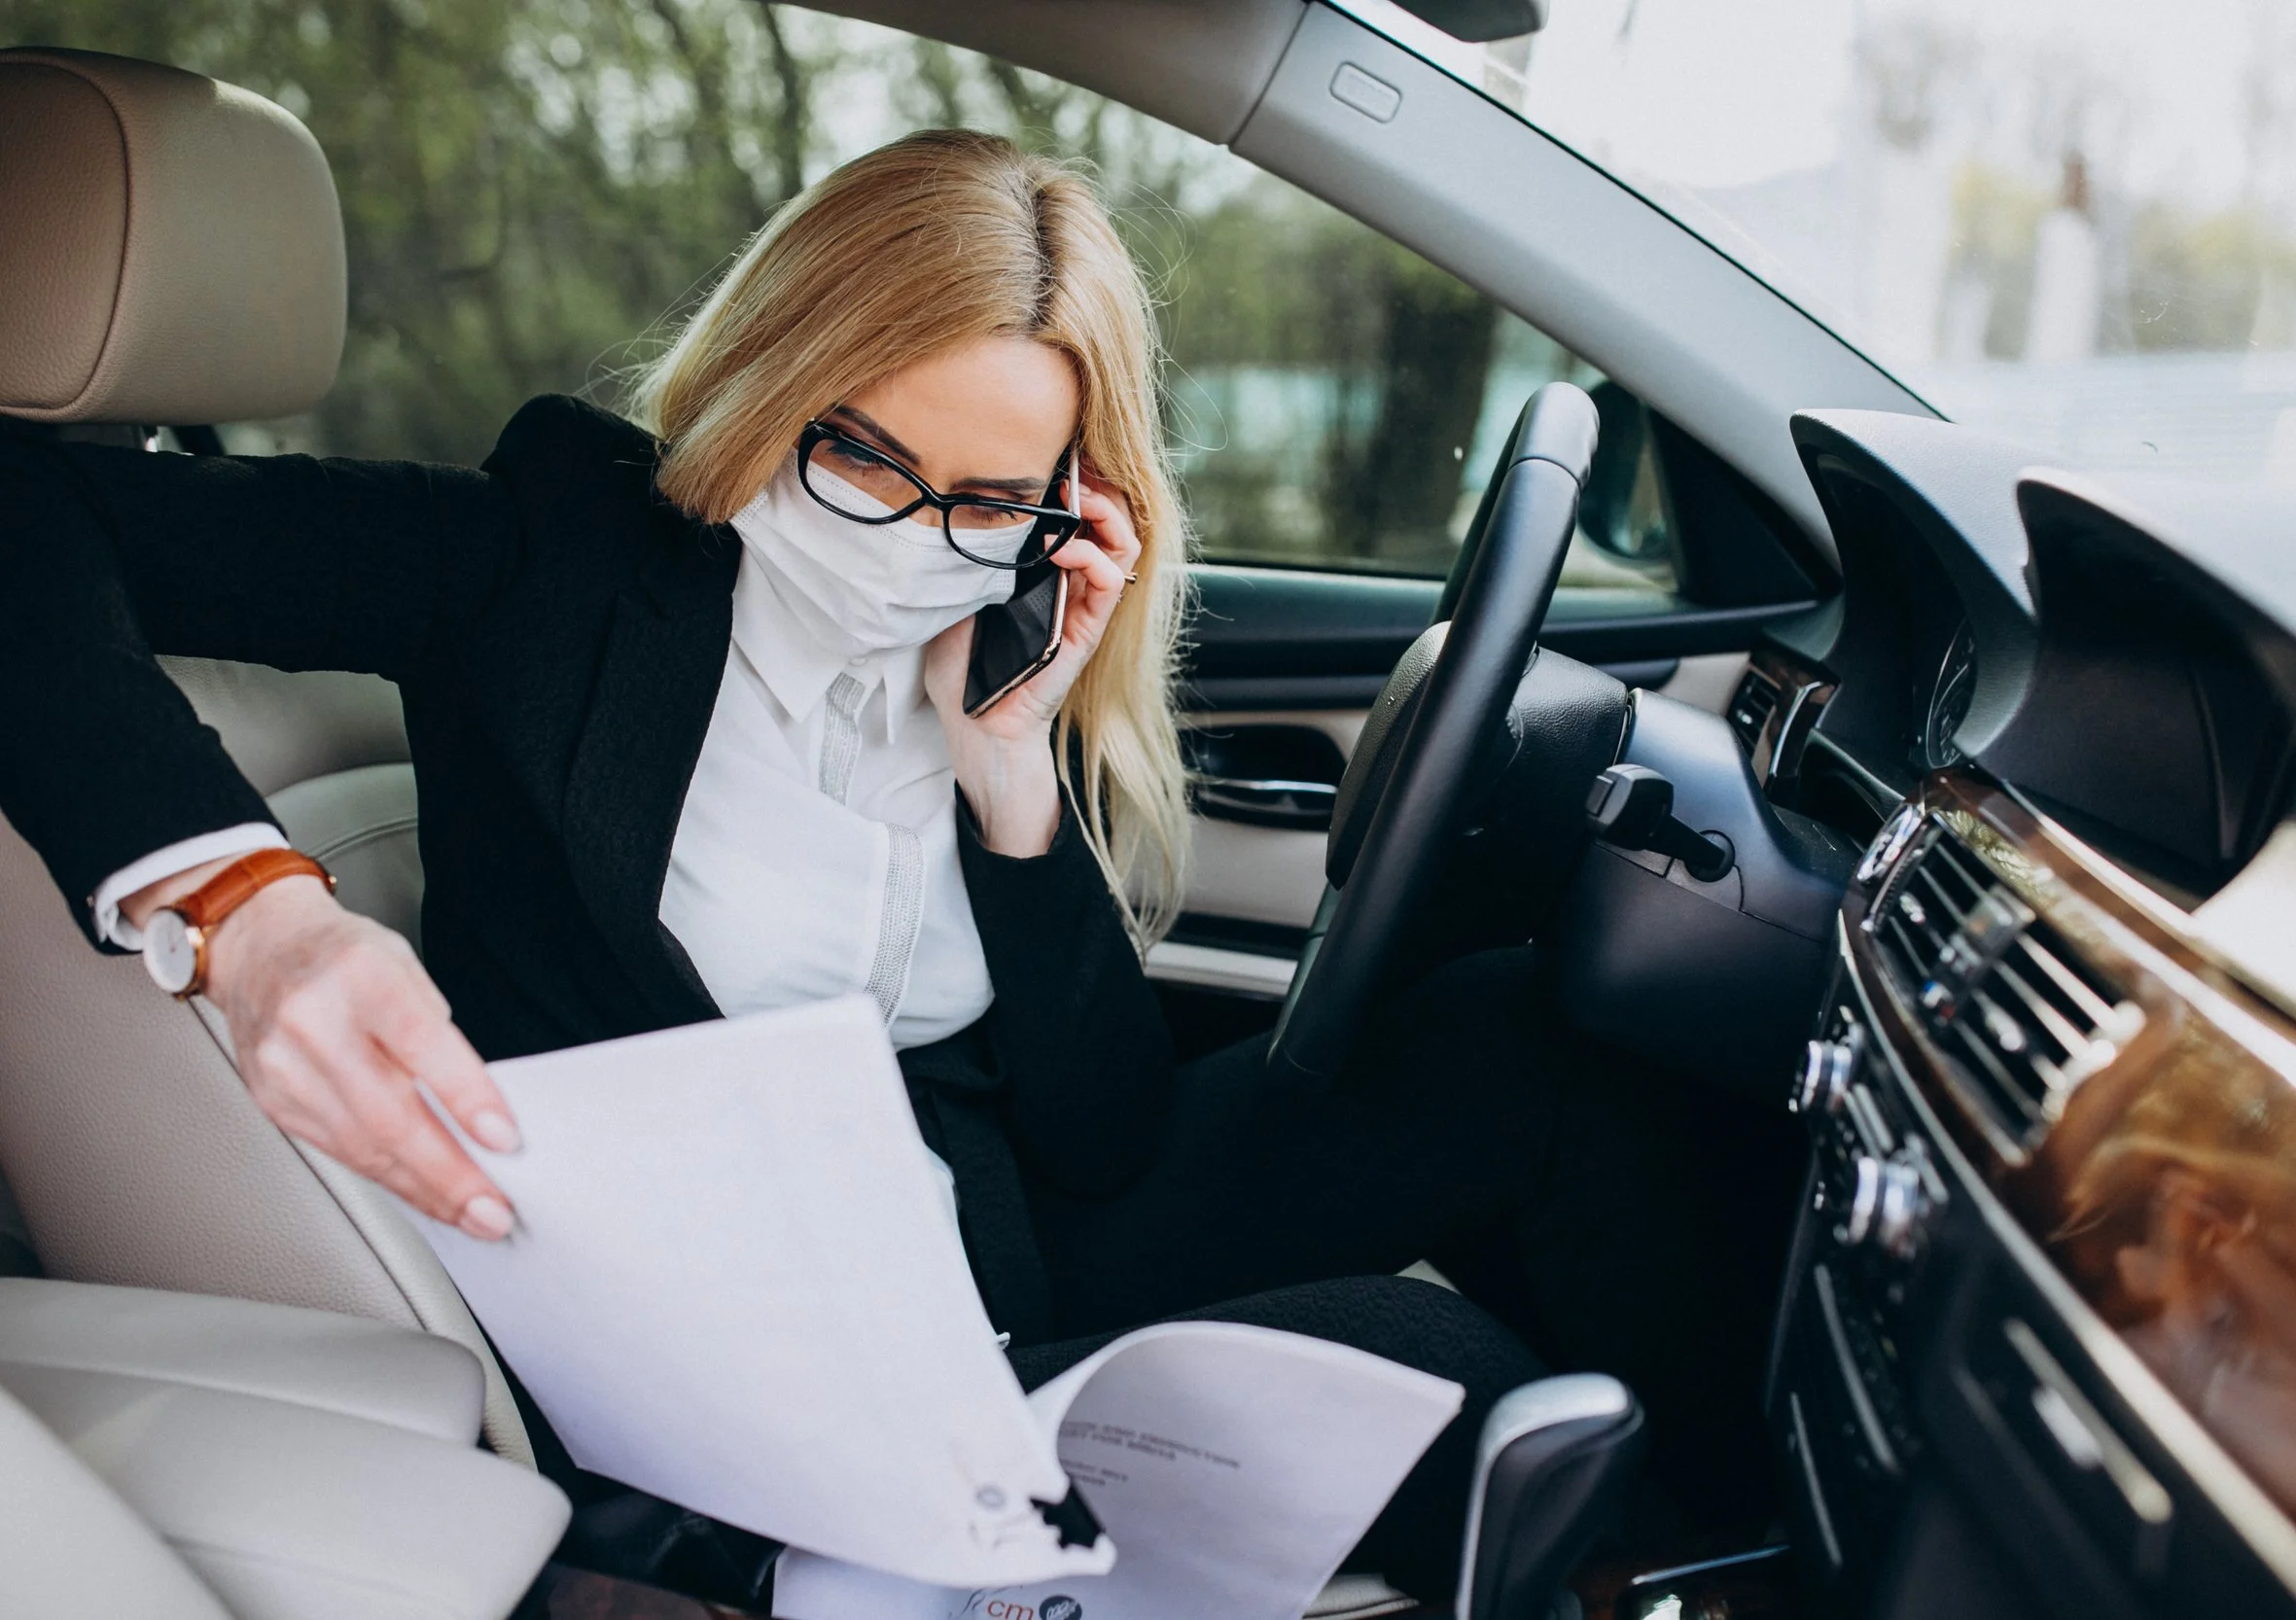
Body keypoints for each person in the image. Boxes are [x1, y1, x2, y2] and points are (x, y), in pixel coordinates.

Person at [0, 129, 1799, 1602]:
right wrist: (245, 904)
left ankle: (1800, 1549)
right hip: (767, 1344)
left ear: (1067, 504)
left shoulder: (989, 642)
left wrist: (1009, 769)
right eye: (859, 450)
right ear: (775, 373)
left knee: (1536, 1044)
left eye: (989, 498)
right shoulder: (543, 561)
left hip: (996, 1237)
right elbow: (26, 511)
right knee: (1472, 1399)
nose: (904, 539)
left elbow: (1095, 1137)